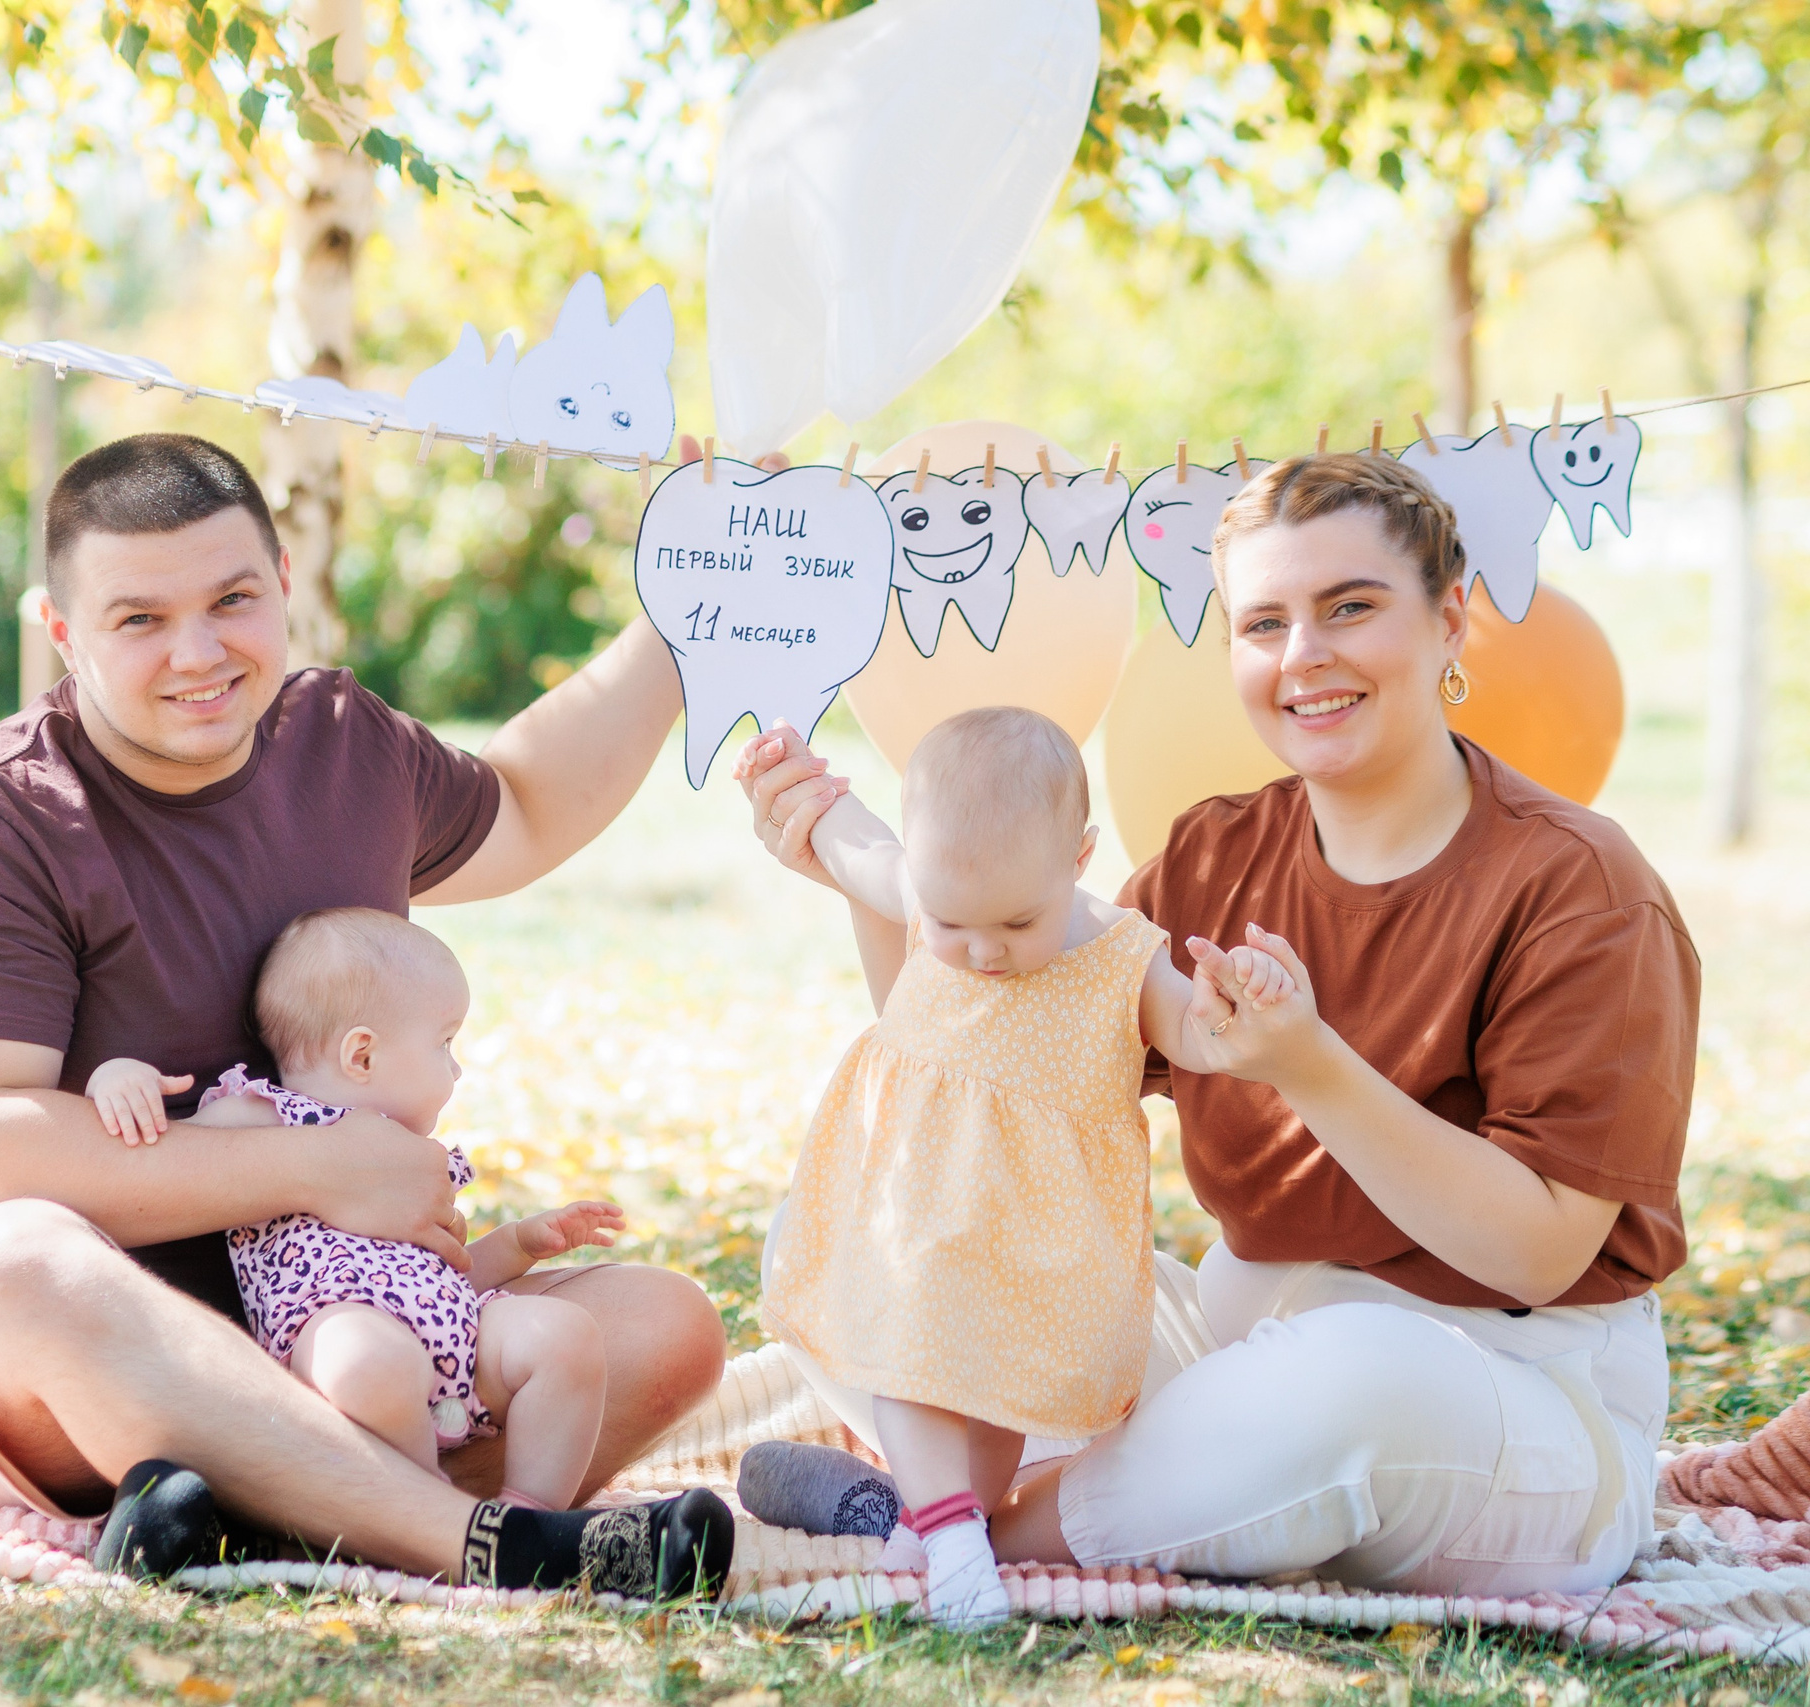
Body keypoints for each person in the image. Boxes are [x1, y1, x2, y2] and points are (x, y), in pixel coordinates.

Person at [737, 452, 1697, 1597]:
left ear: (1449, 624)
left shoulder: (1578, 885)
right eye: (1263, 623)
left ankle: (957, 1527)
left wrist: (1310, 1065)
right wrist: (882, 887)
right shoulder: (1215, 852)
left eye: (1350, 608)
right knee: (874, 1221)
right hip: (1236, 1355)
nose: (1305, 657)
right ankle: (1026, 1502)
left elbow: (1536, 1250)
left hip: (1501, 1393)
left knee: (1346, 1384)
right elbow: (980, 1057)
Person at [0, 432, 731, 1598]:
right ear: (63, 634)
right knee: (18, 1261)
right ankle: (477, 1544)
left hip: (332, 1334)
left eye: (233, 600)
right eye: (139, 620)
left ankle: (244, 1515)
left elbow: (522, 803)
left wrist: (688, 606)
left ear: (282, 584)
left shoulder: (338, 743)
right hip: (55, 1364)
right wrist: (311, 1172)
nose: (198, 653)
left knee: (661, 1327)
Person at [738, 707, 1290, 1625]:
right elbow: (849, 837)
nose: (984, 950)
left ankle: (945, 1522)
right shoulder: (921, 885)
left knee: (1003, 1397)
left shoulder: (1122, 954)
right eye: (954, 922)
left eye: (1017, 922)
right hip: (915, 1205)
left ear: (1078, 858)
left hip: (1043, 1234)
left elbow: (1196, 1036)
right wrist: (796, 775)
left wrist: (1237, 1007)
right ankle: (951, 1532)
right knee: (906, 1358)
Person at [108, 906, 630, 1512]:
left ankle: (529, 1517)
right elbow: (170, 1156)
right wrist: (121, 1079)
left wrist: (518, 1244)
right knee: (369, 1362)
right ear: (362, 1056)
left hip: (453, 1341)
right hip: (337, 1345)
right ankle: (430, 1517)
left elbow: (444, 1275)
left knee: (565, 1335)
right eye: (444, 1043)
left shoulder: (408, 1157)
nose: (457, 1067)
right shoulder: (264, 1115)